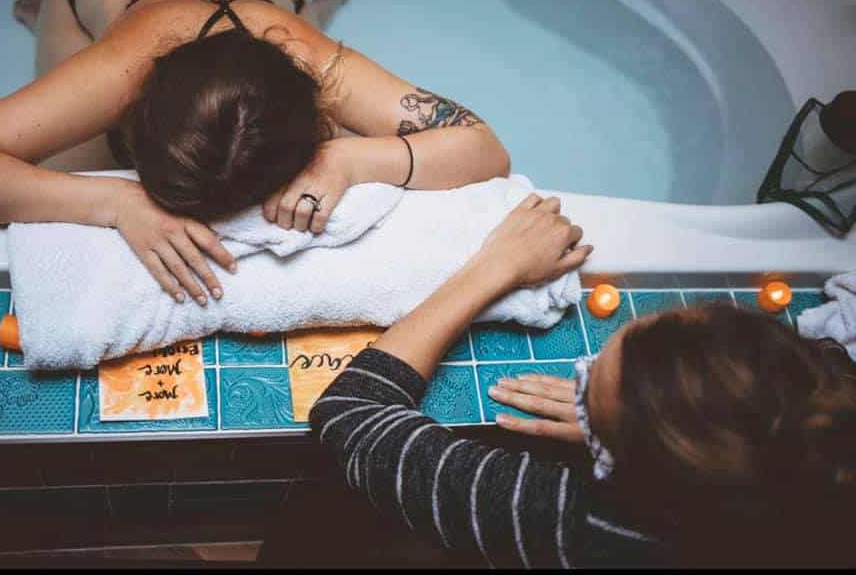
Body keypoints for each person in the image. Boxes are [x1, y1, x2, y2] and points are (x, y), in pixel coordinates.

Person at [0, 0, 508, 308]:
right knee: (63, 156)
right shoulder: (120, 68)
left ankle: (314, 10)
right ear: (130, 111)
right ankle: (49, 24)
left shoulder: (313, 59)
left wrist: (349, 159)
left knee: (342, 110)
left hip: (270, 2)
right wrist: (115, 202)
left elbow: (484, 148)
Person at [305, 193, 856, 567]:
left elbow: (351, 414)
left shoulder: (584, 530)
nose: (583, 371)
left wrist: (495, 266)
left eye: (589, 392)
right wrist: (643, 430)